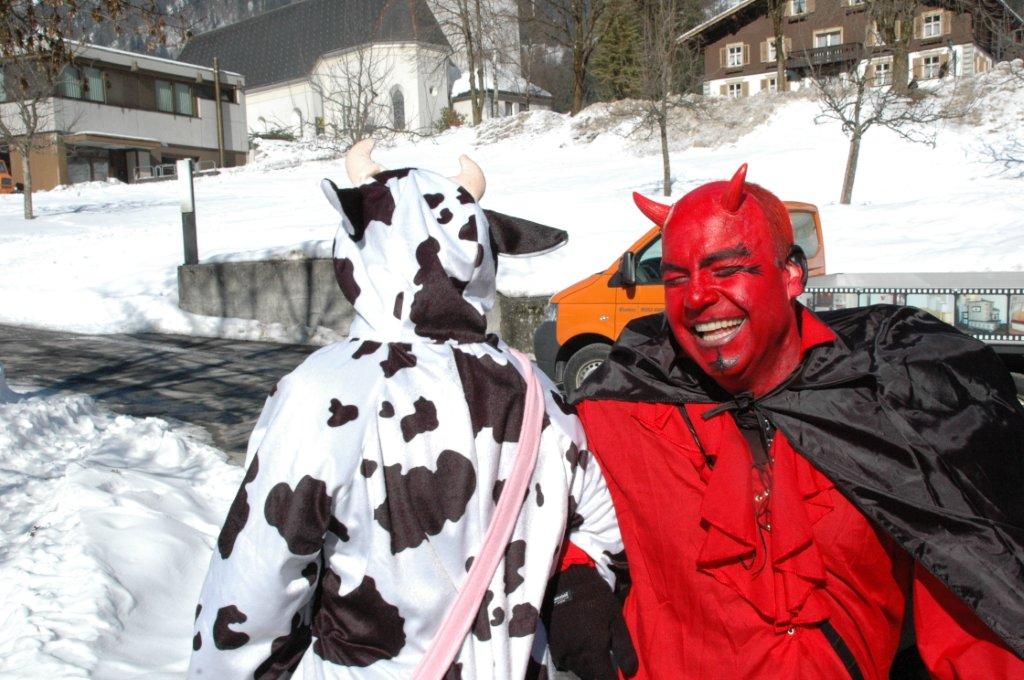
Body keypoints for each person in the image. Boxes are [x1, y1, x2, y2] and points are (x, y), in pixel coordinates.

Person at [552, 164, 1024, 679]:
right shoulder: (622, 407)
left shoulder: (885, 402)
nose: (696, 297)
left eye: (726, 270)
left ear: (792, 274)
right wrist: (574, 581)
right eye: (676, 279)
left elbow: (977, 586)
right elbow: (542, 505)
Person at [187, 141, 627, 679]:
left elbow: (256, 581)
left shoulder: (324, 391)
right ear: (481, 253)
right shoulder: (537, 392)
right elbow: (601, 524)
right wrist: (573, 600)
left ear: (360, 248)